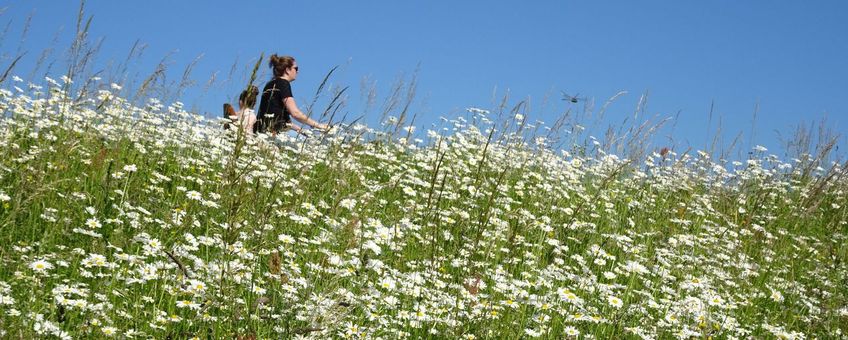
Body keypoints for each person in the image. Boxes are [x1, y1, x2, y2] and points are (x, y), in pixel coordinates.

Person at [255, 54, 329, 136]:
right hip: (275, 132)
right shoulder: (283, 84)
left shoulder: (270, 84)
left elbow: (282, 119)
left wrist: (301, 130)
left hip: (262, 130)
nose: (297, 71)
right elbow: (295, 113)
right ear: (287, 70)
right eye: (296, 68)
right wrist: (319, 126)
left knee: (305, 136)